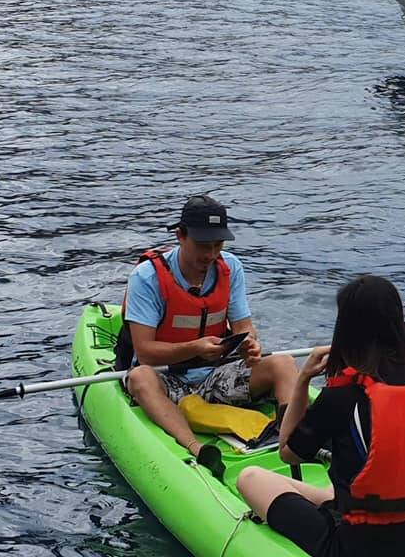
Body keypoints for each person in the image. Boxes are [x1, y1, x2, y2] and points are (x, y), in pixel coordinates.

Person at [237, 275, 405, 557]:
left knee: (250, 478)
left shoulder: (342, 394)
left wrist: (304, 379)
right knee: (340, 496)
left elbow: (288, 453)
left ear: (345, 329)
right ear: (398, 321)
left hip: (355, 548)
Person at [122, 195, 298, 473]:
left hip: (216, 374)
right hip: (167, 377)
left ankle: (291, 439)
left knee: (284, 363)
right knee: (139, 378)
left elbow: (243, 326)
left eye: (218, 245)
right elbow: (144, 352)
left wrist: (250, 343)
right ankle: (196, 449)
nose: (211, 255)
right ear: (181, 235)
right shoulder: (147, 278)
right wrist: (195, 348)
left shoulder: (231, 268)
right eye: (203, 245)